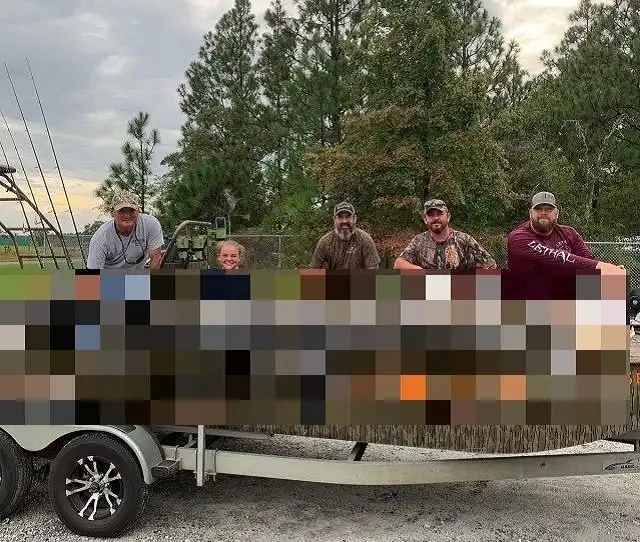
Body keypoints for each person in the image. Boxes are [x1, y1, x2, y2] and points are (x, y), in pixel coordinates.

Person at [507, 191, 625, 275]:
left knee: (613, 282)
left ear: (557, 213)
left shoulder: (570, 233)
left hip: (562, 292)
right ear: (530, 213)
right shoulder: (518, 237)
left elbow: (587, 261)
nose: (543, 213)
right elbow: (554, 256)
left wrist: (610, 270)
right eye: (538, 209)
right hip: (527, 295)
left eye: (548, 209)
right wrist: (600, 265)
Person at [393, 199, 497, 270]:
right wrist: (419, 271)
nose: (436, 218)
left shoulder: (464, 240)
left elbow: (491, 265)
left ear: (448, 217)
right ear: (425, 219)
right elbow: (398, 264)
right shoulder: (419, 241)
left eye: (440, 214)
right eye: (431, 215)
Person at [86, 190, 164, 271]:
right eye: (121, 211)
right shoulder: (100, 239)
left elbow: (156, 258)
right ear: (112, 213)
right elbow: (91, 276)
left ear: (138, 211)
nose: (127, 215)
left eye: (131, 210)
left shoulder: (151, 224)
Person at [311, 202, 381, 270]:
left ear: (354, 219)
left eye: (348, 216)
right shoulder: (325, 241)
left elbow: (372, 269)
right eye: (340, 217)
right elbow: (314, 269)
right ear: (334, 219)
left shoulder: (365, 239)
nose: (344, 221)